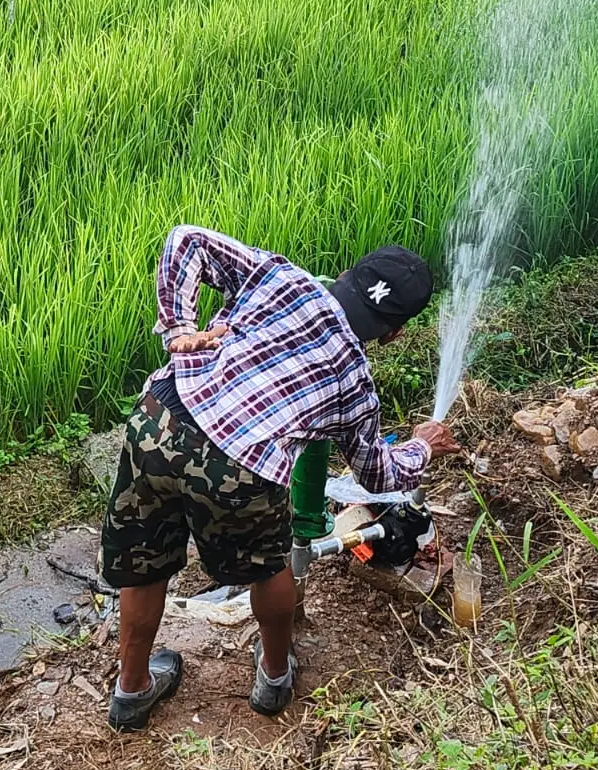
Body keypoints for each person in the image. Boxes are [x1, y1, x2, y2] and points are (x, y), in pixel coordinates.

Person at [100, 225, 461, 732]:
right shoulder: (355, 385)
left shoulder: (280, 276)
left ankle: (131, 691)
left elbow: (186, 240)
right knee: (270, 569)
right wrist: (423, 444)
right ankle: (273, 677)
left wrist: (179, 328)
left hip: (159, 422)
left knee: (145, 564)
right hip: (237, 468)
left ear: (346, 274)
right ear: (393, 333)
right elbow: (378, 475)